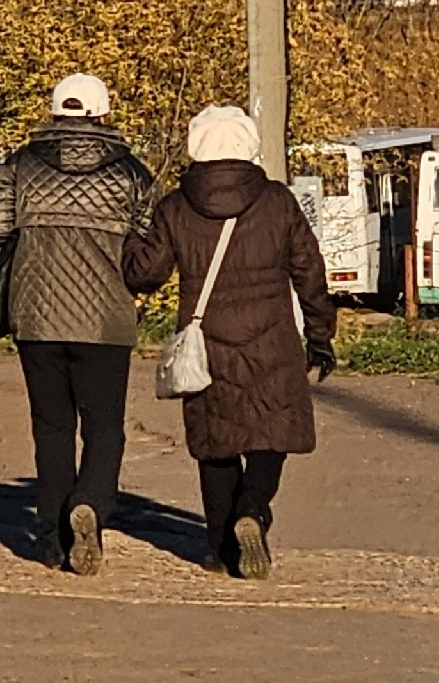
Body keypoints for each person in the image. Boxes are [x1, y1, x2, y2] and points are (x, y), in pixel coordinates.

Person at [125, 105, 336, 580]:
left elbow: (145, 273)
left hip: (207, 344)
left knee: (216, 444)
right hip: (272, 342)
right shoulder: (279, 202)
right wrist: (320, 335)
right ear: (249, 147)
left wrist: (129, 238)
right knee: (270, 436)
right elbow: (309, 270)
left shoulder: (175, 207)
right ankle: (254, 510)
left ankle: (221, 551)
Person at [0, 73, 158, 575]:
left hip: (36, 313)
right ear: (102, 114)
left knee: (52, 427)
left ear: (56, 112)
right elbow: (150, 242)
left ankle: (55, 539)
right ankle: (91, 507)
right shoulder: (131, 173)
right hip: (105, 319)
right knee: (105, 428)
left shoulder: (23, 164)